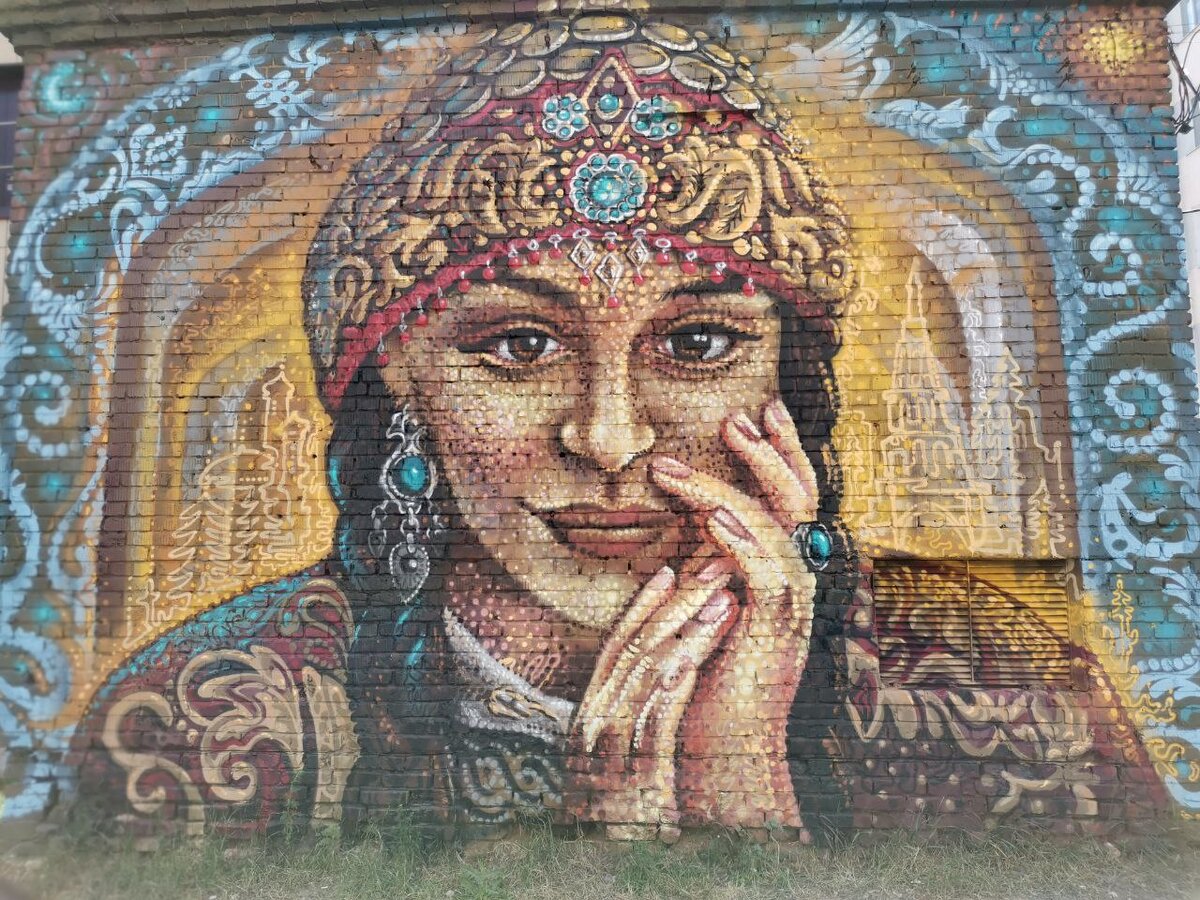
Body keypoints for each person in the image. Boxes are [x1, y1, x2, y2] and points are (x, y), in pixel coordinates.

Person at [74, 10, 1164, 842]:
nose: (607, 439)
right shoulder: (209, 721)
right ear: (399, 385)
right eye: (518, 347)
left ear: (789, 385)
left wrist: (742, 799)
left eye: (698, 344)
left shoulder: (1009, 697)